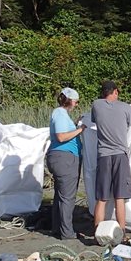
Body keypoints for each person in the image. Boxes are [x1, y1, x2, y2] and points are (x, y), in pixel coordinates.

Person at [90, 80, 131, 233]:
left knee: (102, 198)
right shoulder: (125, 107)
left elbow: (93, 121)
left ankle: (98, 233)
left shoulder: (96, 105)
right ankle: (121, 232)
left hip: (103, 155)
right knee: (120, 197)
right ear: (115, 91)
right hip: (120, 155)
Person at [46, 87, 85, 240]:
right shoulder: (60, 113)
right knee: (68, 197)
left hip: (60, 157)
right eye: (75, 101)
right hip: (64, 158)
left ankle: (57, 228)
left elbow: (63, 132)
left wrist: (75, 125)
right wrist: (80, 129)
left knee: (60, 196)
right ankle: (67, 233)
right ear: (69, 100)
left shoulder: (61, 115)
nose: (76, 104)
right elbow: (61, 136)